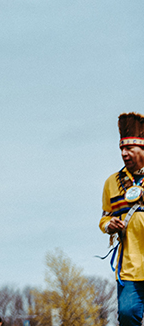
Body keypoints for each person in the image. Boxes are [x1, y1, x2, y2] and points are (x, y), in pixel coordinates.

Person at [101, 112, 144, 326]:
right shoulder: (112, 182)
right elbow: (105, 218)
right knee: (127, 313)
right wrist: (110, 225)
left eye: (129, 149)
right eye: (122, 149)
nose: (124, 154)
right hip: (130, 264)